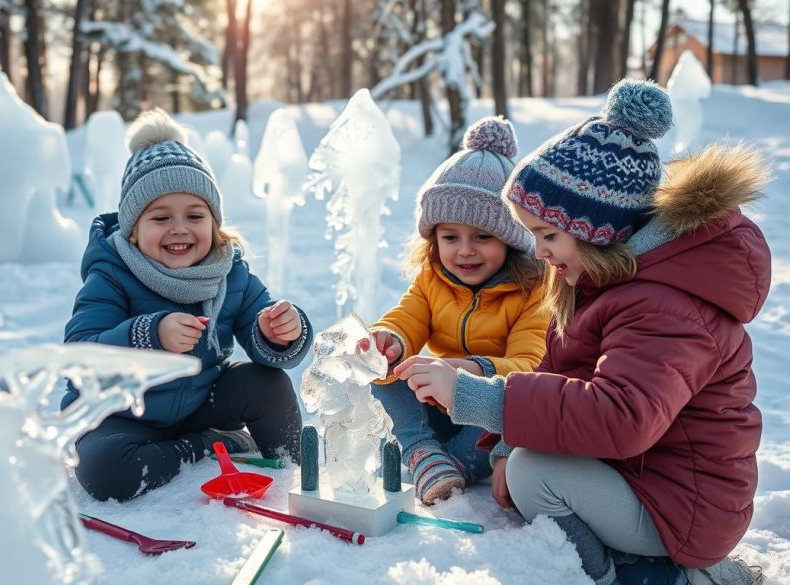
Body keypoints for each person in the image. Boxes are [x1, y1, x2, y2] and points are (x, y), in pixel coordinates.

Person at [395, 79, 768, 584]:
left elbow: (622, 418)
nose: (539, 252)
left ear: (598, 232)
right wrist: (506, 440)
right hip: (644, 475)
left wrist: (482, 400)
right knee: (523, 465)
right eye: (532, 236)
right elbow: (561, 366)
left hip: (686, 507)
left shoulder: (666, 306)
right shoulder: (602, 281)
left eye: (548, 235)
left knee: (536, 475)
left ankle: (646, 576)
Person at [62, 108, 312, 502]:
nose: (179, 227)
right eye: (161, 217)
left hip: (200, 400)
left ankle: (294, 471)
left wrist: (279, 333)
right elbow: (80, 353)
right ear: (132, 229)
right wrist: (149, 334)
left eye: (195, 215)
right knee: (102, 469)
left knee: (267, 384)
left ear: (213, 224)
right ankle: (200, 447)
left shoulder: (228, 270)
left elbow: (260, 331)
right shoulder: (112, 273)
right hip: (123, 415)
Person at [365, 116, 548, 505]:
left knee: (514, 421)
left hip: (483, 412)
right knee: (385, 372)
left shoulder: (534, 290)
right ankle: (421, 449)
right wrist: (390, 341)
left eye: (483, 236)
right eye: (450, 237)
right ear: (434, 239)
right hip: (436, 404)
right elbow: (406, 317)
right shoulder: (432, 279)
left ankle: (454, 464)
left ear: (511, 239)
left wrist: (474, 371)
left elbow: (531, 364)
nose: (465, 250)